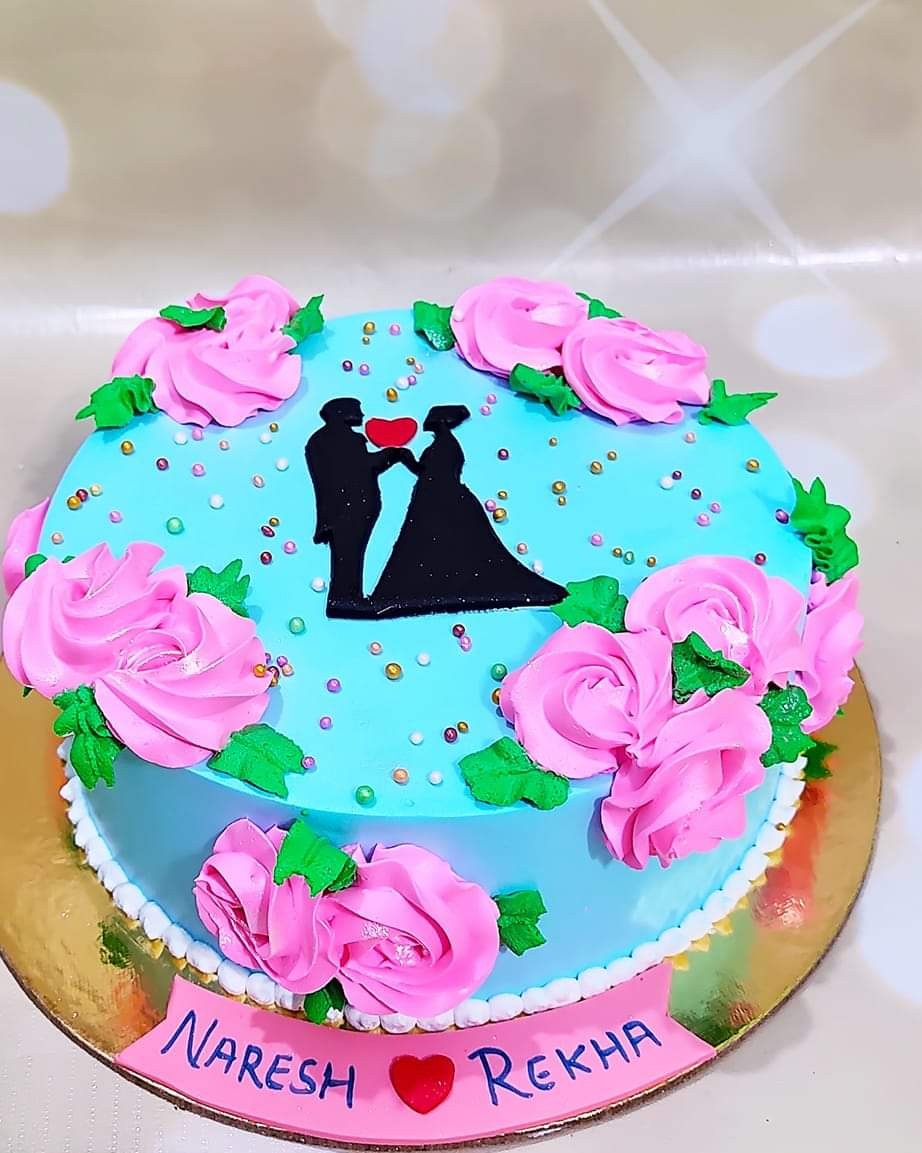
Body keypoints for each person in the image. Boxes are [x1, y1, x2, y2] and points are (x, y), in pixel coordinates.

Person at [371, 404, 566, 617]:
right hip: (432, 490)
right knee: (429, 535)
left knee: (442, 534)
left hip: (440, 492)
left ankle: (430, 586)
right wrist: (405, 458)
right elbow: (427, 469)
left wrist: (411, 461)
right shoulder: (442, 443)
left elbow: (440, 468)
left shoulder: (447, 443)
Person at [305, 397, 412, 617]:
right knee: (349, 554)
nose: (362, 414)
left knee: (349, 554)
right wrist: (393, 454)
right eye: (357, 409)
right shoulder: (341, 438)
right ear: (342, 412)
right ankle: (345, 599)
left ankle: (349, 596)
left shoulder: (323, 439)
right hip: (349, 507)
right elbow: (361, 466)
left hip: (349, 507)